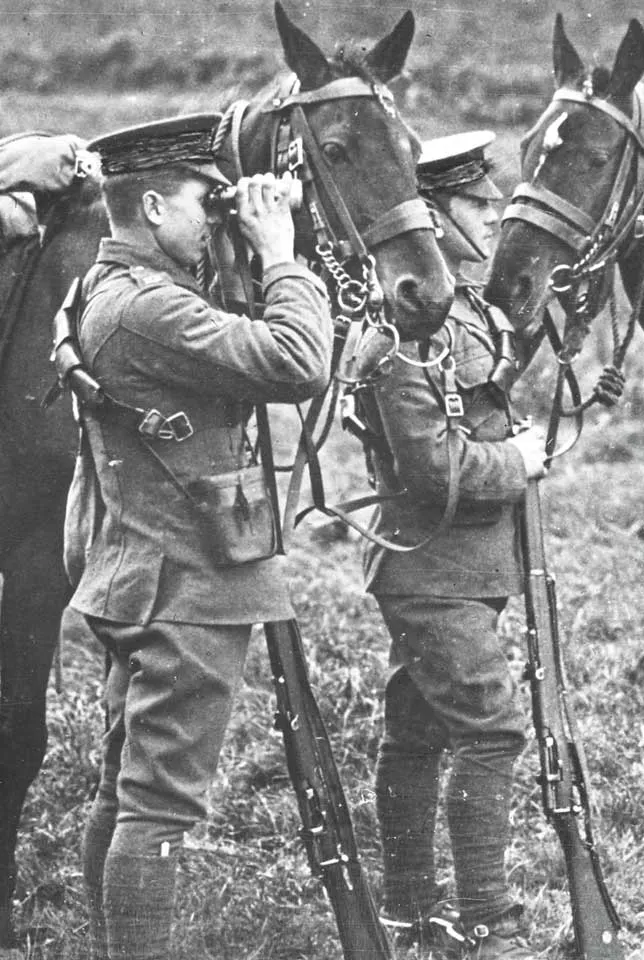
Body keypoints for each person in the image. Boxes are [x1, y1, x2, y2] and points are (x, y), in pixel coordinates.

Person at [66, 113, 330, 960]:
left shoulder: (106, 290)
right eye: (200, 202)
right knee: (160, 807)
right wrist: (282, 252)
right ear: (150, 206)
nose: (216, 217)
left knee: (127, 786)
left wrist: (258, 248)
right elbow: (296, 362)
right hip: (186, 583)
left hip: (142, 569)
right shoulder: (148, 311)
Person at [357, 130, 549, 959]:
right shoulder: (405, 333)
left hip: (467, 564)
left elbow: (491, 380)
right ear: (434, 213)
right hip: (431, 565)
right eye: (479, 205)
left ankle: (407, 912)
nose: (495, 217)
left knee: (419, 730)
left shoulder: (463, 307)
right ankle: (488, 921)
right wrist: (520, 459)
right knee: (492, 731)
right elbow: (438, 470)